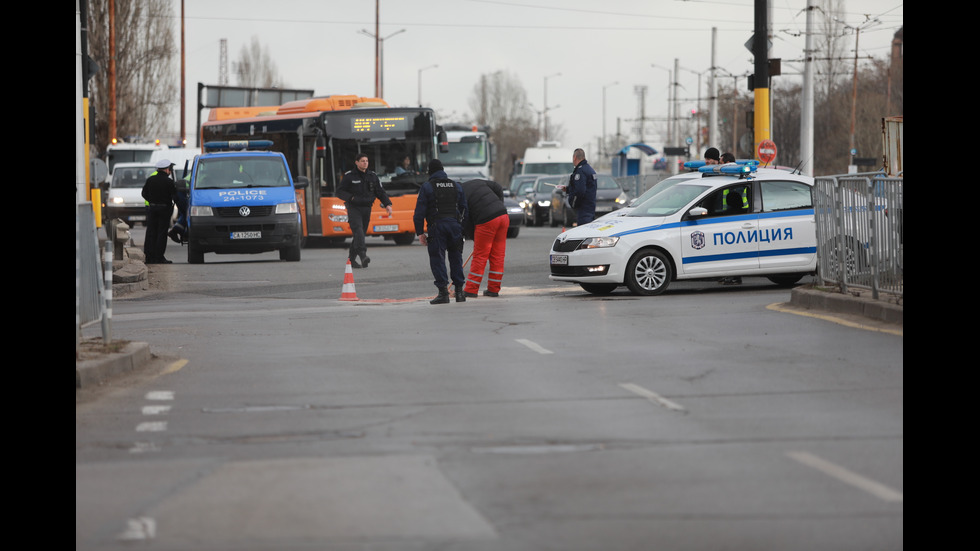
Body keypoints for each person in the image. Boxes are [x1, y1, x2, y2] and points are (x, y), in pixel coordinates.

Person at [414, 159, 468, 304]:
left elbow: (419, 212)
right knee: (456, 257)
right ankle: (459, 293)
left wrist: (420, 232)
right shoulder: (456, 185)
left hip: (437, 227)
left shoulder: (427, 187)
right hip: (455, 226)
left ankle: (443, 293)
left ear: (430, 172)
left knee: (438, 259)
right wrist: (462, 228)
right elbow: (464, 208)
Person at [336, 153, 393, 268]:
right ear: (356, 162)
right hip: (354, 208)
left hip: (367, 208)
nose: (365, 163)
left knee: (360, 234)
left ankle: (351, 259)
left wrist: (387, 204)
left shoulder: (372, 176)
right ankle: (363, 256)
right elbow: (340, 192)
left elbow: (380, 192)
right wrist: (351, 197)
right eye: (362, 161)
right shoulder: (349, 176)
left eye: (366, 161)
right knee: (358, 230)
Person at [460, 179, 509, 298]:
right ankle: (493, 289)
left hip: (486, 220)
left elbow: (466, 221)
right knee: (498, 255)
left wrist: (475, 238)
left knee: (480, 255)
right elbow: (497, 186)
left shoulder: (459, 195)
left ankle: (471, 289)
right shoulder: (477, 181)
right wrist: (500, 204)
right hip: (503, 215)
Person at [141, 158, 178, 264]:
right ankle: (159, 257)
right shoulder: (169, 182)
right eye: (170, 169)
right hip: (164, 210)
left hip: (152, 209)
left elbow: (144, 193)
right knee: (161, 233)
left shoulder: (150, 180)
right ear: (166, 170)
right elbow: (175, 197)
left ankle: (149, 257)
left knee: (151, 232)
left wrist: (152, 200)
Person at [556, 148, 598, 226]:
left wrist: (574, 203)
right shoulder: (590, 169)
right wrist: (568, 189)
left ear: (575, 157)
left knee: (583, 233)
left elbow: (579, 191)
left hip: (583, 210)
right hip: (590, 208)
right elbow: (588, 188)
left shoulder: (580, 171)